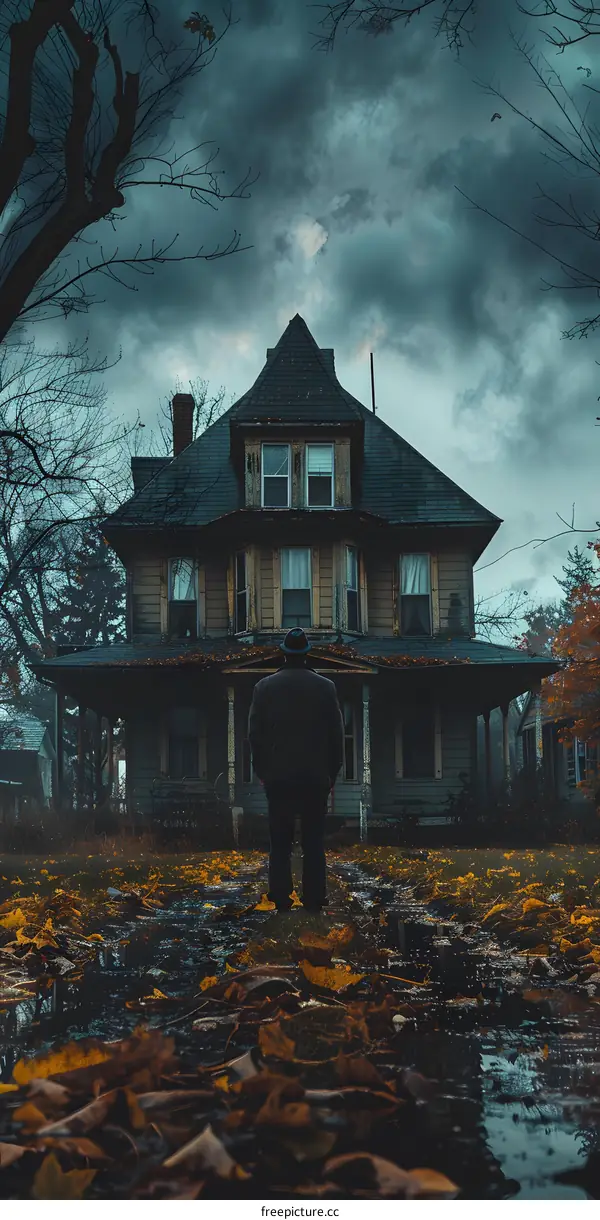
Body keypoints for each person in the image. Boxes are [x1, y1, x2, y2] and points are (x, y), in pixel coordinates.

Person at [248, 627, 345, 913]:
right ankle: (314, 898)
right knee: (313, 841)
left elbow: (255, 737)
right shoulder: (325, 687)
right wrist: (332, 774)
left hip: (278, 778)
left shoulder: (263, 688)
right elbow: (336, 737)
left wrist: (263, 772)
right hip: (315, 777)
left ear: (284, 653)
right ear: (306, 654)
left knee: (280, 842)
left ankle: (281, 897)